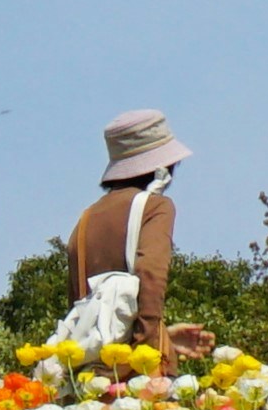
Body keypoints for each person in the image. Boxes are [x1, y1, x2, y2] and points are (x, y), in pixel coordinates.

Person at [56, 111, 218, 360]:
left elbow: (90, 314)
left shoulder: (86, 220)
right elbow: (150, 275)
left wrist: (166, 339)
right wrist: (150, 348)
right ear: (164, 166)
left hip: (91, 375)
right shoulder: (155, 206)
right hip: (135, 379)